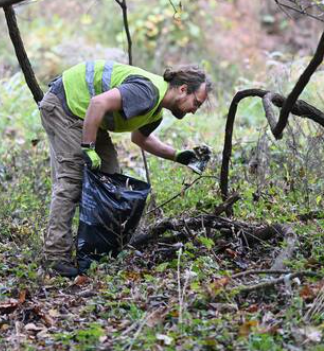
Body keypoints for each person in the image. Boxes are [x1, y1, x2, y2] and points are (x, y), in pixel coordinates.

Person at [38, 60, 212, 277]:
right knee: (71, 181)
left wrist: (178, 156)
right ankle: (55, 258)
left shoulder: (155, 111)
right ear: (183, 89)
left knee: (109, 177)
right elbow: (98, 103)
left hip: (87, 117)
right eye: (196, 103)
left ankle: (95, 251)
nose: (194, 111)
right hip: (65, 108)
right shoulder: (147, 92)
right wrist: (88, 148)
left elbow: (140, 138)